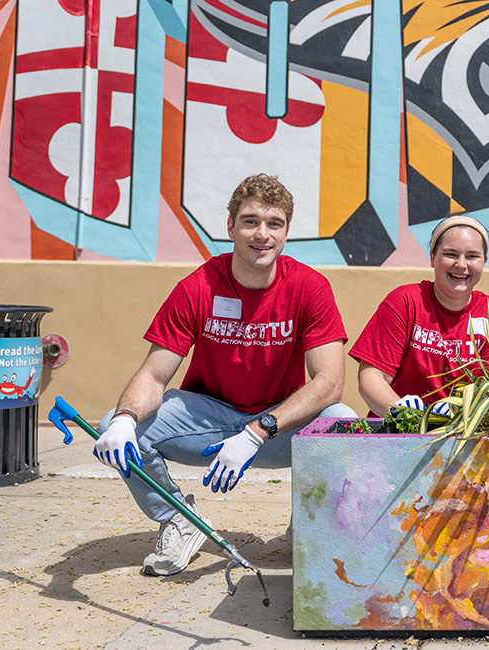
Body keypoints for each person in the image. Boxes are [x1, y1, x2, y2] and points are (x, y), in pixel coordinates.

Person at [92, 173, 355, 576]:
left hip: (277, 426)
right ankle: (179, 518)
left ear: (286, 233)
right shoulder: (197, 286)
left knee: (344, 423)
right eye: (250, 221)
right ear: (230, 226)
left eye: (274, 224)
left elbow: (329, 383)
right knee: (116, 424)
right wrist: (126, 418)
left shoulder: (309, 287)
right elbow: (154, 374)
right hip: (209, 423)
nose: (261, 234)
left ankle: (307, 526)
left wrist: (257, 431)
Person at [350, 216, 489, 416]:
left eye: (472, 256)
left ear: (484, 261)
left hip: (464, 435)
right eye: (451, 254)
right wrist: (404, 414)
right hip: (398, 436)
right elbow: (371, 377)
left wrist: (461, 415)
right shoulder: (405, 302)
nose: (461, 265)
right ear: (432, 257)